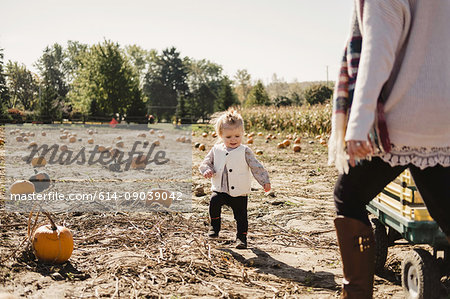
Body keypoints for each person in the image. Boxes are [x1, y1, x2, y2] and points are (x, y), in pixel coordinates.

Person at [328, 0, 450, 298]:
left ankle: (356, 293)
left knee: (348, 196)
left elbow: (377, 48)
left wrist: (358, 122)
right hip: (444, 118)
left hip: (402, 116)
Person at [199, 108, 271, 249]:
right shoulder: (216, 150)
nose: (233, 140)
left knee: (241, 216)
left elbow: (256, 167)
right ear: (221, 135)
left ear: (243, 134)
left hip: (239, 191)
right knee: (214, 202)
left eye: (237, 136)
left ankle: (241, 238)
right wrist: (207, 170)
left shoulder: (245, 151)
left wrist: (265, 181)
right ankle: (214, 227)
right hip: (220, 189)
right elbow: (205, 163)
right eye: (229, 137)